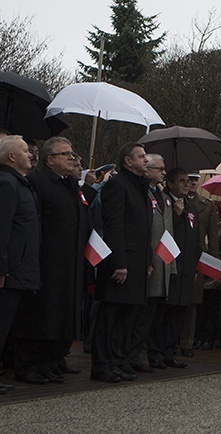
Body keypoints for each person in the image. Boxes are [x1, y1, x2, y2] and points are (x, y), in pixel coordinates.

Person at [13, 137, 94, 385]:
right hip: (46, 262)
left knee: (60, 317)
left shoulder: (70, 184)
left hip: (70, 263)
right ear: (50, 159)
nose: (72, 157)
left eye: (72, 153)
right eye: (65, 154)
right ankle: (28, 365)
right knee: (40, 317)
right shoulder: (37, 182)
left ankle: (49, 363)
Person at [92, 143, 152, 383]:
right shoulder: (117, 185)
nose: (146, 161)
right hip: (121, 263)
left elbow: (144, 229)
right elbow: (114, 226)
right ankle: (102, 365)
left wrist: (147, 260)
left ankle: (117, 361)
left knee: (126, 318)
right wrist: (119, 262)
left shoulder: (140, 187)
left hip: (137, 262)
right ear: (128, 161)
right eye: (141, 156)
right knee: (110, 317)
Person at [121, 154, 175, 374]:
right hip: (146, 260)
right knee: (137, 315)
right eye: (159, 169)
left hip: (163, 261)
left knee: (149, 316)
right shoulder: (142, 192)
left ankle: (134, 355)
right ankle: (127, 354)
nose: (163, 173)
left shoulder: (163, 195)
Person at [148, 168, 201, 369]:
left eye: (188, 181)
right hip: (169, 265)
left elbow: (196, 239)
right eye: (181, 181)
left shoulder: (191, 206)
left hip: (187, 267)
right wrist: (177, 215)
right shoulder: (165, 203)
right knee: (163, 313)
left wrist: (195, 266)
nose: (186, 184)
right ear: (170, 184)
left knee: (178, 313)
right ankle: (156, 352)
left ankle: (170, 351)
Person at [0, 136, 40, 394]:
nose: (30, 154)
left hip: (19, 269)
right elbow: (2, 230)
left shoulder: (19, 184)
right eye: (25, 150)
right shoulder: (6, 184)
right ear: (11, 157)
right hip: (9, 271)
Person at [188, 171, 221, 353]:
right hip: (192, 264)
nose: (190, 184)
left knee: (208, 309)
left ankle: (204, 338)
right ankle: (194, 338)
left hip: (209, 269)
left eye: (193, 181)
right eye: (188, 180)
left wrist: (217, 272)